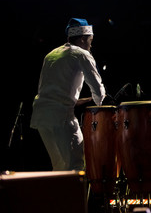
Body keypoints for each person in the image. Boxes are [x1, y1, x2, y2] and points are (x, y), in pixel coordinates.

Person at [30, 18, 106, 171]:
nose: (91, 44)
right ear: (83, 39)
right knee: (76, 166)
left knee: (58, 167)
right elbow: (98, 92)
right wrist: (100, 103)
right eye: (90, 40)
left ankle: (58, 195)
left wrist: (81, 100)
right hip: (61, 118)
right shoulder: (82, 54)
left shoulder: (51, 55)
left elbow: (50, 93)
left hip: (41, 117)